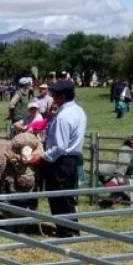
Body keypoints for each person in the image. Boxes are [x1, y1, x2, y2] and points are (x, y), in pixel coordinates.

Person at [28, 81, 87, 237]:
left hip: (61, 160)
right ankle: (71, 228)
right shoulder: (79, 111)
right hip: (72, 158)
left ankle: (66, 231)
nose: (52, 98)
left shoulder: (63, 117)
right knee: (67, 195)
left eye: (54, 95)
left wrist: (42, 157)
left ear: (62, 96)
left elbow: (60, 146)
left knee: (59, 195)